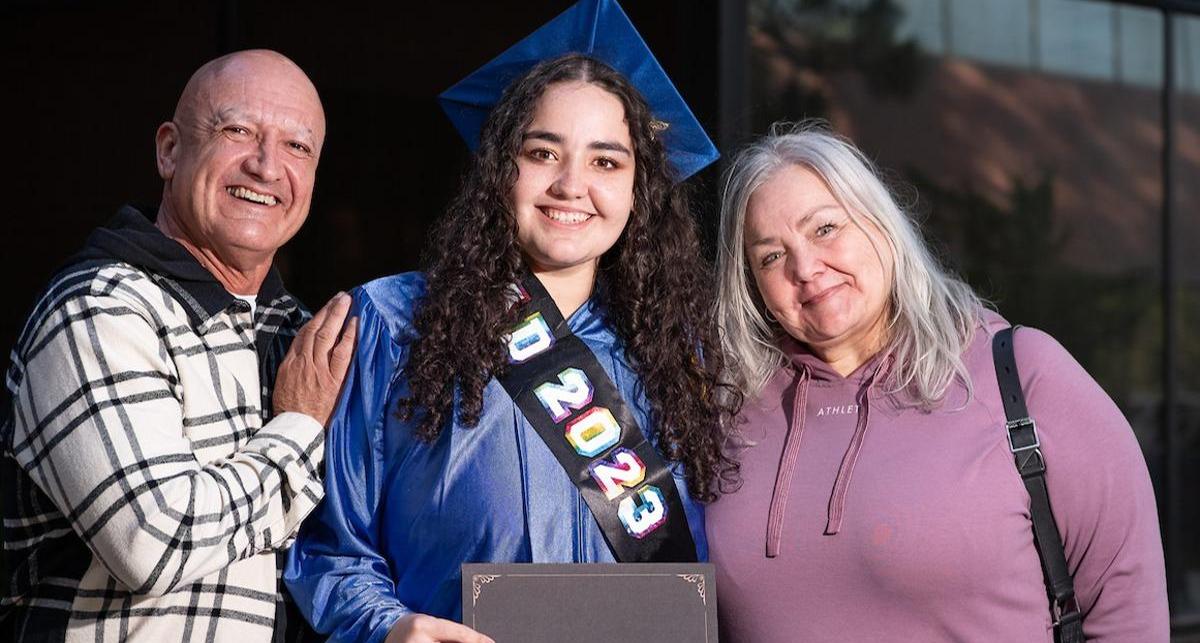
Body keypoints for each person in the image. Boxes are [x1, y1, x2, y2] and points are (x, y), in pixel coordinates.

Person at [283, 2, 739, 642]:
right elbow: (329, 547)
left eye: (607, 161)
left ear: (640, 189)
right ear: (501, 167)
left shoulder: (680, 355)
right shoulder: (390, 325)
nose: (571, 184)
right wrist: (387, 628)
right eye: (542, 152)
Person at [705, 121, 1170, 641]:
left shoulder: (1021, 375)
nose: (806, 267)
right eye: (771, 256)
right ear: (751, 286)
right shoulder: (729, 413)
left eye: (825, 229)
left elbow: (1128, 613)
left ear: (880, 224)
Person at [0, 50, 356, 642]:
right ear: (170, 150)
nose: (267, 167)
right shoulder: (100, 308)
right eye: (238, 130)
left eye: (298, 147)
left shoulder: (299, 332)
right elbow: (153, 543)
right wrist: (297, 428)